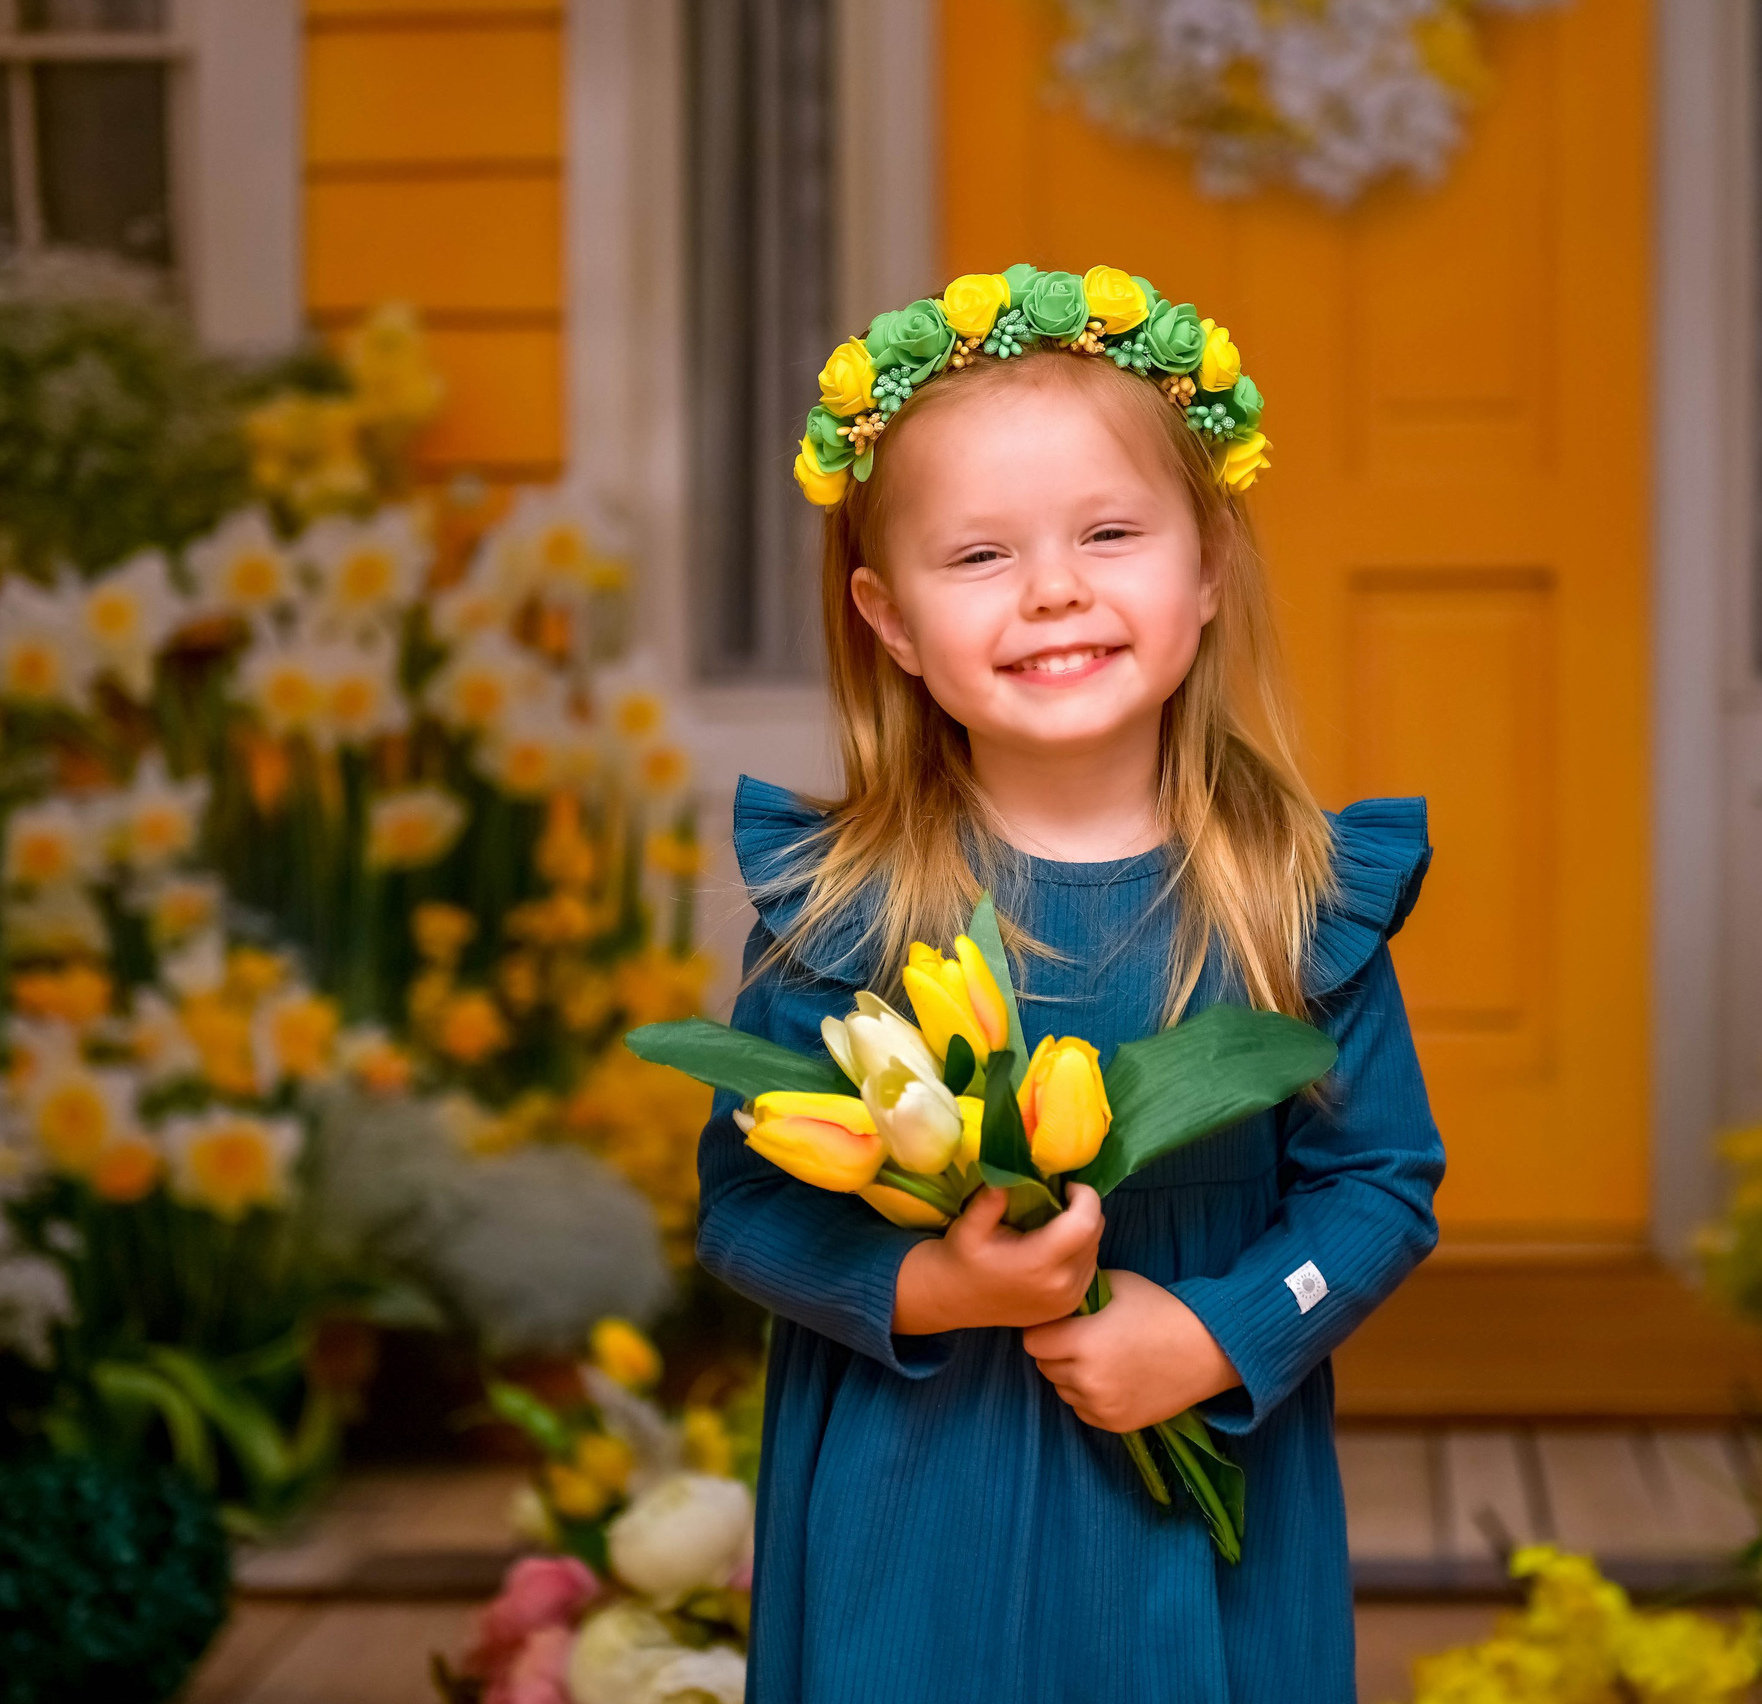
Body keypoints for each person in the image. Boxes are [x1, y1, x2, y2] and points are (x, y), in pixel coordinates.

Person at [696, 265, 1443, 1703]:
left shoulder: (1295, 905)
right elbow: (744, 1209)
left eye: (1110, 533)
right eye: (979, 557)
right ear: (891, 620)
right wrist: (930, 1283)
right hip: (917, 1502)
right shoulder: (845, 911)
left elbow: (1378, 1188)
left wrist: (1226, 1330)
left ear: (1209, 566)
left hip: (1199, 1479)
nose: (1055, 591)